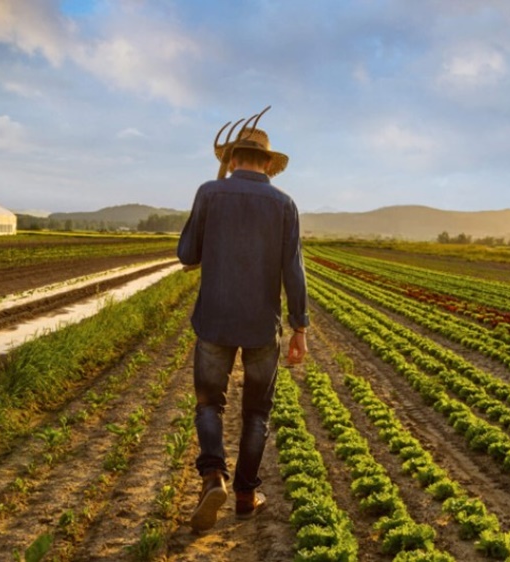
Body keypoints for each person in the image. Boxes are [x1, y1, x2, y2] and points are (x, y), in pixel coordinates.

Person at [177, 112, 309, 532]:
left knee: (209, 403)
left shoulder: (209, 192)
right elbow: (294, 272)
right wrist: (300, 328)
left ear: (232, 159)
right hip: (261, 327)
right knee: (257, 412)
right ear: (267, 164)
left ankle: (213, 476)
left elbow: (186, 254)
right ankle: (246, 495)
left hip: (214, 320)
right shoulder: (285, 204)